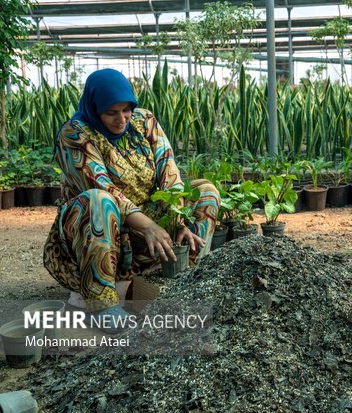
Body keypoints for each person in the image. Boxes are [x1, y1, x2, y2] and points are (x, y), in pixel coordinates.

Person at [43, 68, 220, 332]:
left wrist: (178, 220)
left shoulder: (144, 121)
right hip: (96, 236)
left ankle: (186, 275)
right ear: (94, 108)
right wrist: (149, 226)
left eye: (126, 109)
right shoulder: (75, 134)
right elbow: (102, 186)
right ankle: (101, 303)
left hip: (149, 235)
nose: (121, 119)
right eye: (111, 113)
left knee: (206, 190)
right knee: (99, 200)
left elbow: (168, 171)